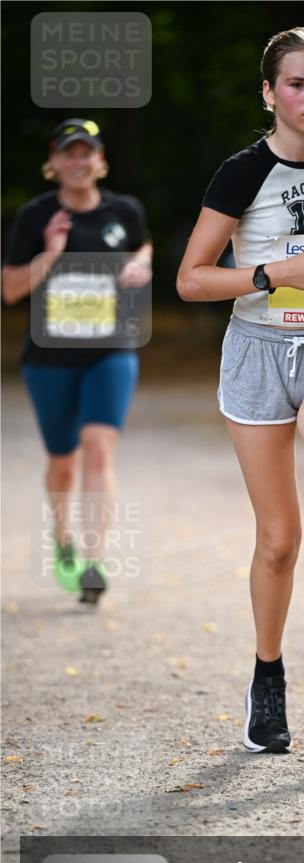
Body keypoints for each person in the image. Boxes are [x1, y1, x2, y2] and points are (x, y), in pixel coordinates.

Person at [177, 27, 304, 764]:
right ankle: (267, 681)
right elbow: (191, 280)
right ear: (269, 93)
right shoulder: (242, 174)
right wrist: (273, 275)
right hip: (258, 354)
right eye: (295, 84)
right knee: (279, 540)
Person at [2, 119, 152, 603]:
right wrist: (50, 254)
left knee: (98, 447)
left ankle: (93, 560)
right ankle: (63, 536)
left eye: (86, 152)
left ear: (99, 160)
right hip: (49, 358)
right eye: (69, 153)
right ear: (55, 162)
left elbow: (142, 243)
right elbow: (10, 290)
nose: (78, 161)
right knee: (63, 462)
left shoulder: (124, 211)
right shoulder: (35, 215)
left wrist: (141, 262)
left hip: (111, 350)